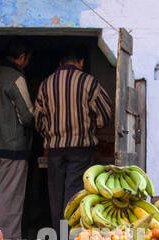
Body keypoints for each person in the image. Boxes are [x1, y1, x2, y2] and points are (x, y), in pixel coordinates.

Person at [34, 50, 113, 229]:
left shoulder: (46, 84)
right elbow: (106, 112)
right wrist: (93, 125)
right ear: (81, 61)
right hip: (80, 149)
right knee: (74, 195)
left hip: (54, 151)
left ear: (60, 63)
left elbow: (38, 118)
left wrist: (50, 133)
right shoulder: (88, 82)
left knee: (56, 196)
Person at [0, 42, 35, 240]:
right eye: (27, 59)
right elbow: (28, 115)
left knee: (0, 192)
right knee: (10, 198)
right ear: (21, 56)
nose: (27, 64)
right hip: (12, 146)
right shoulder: (15, 77)